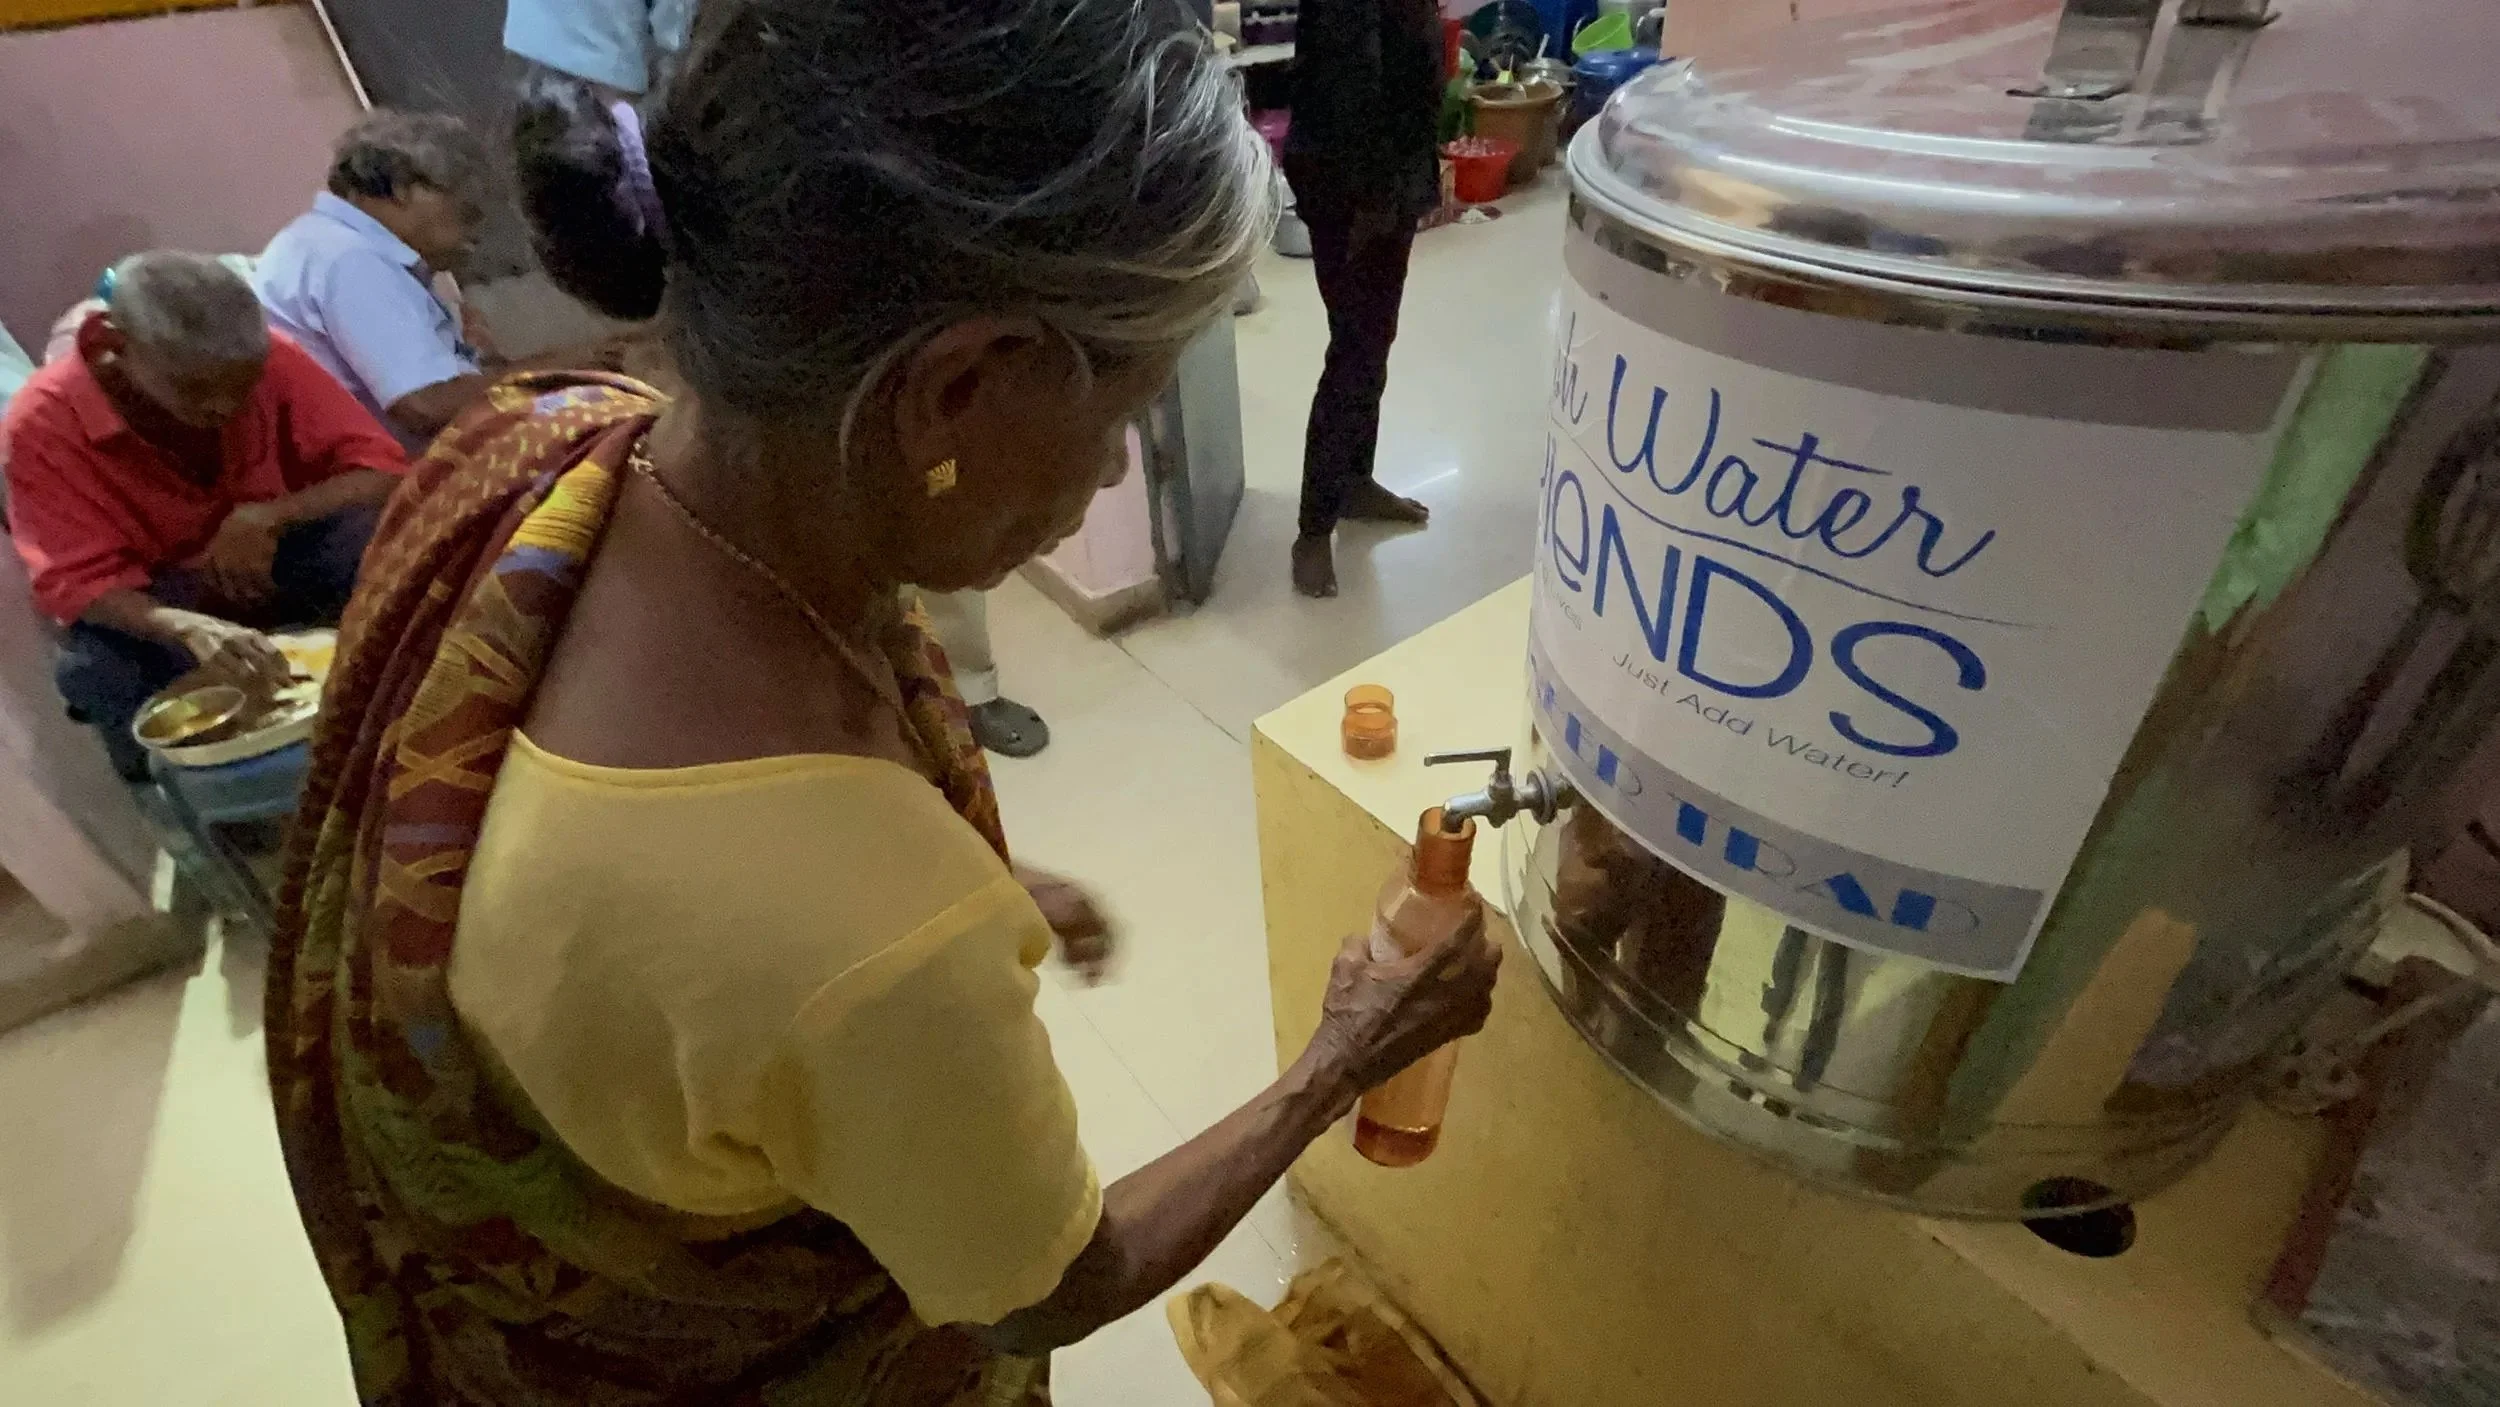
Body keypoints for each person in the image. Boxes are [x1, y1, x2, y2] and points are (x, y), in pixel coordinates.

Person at [264, 2, 1501, 1402]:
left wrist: (975, 876)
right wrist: (1350, 1049)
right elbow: (1049, 1284)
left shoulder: (544, 438)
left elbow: (698, 916)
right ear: (954, 386)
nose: (1107, 476)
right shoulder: (867, 938)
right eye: (1120, 413)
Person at [501, 0, 1053, 757]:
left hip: (896, 239)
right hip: (724, 260)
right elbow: (575, 111)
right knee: (769, 514)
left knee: (929, 485)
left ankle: (953, 691)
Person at [2, 252, 405, 779]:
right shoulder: (40, 424)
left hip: (276, 558)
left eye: (243, 388)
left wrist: (269, 516)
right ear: (114, 346)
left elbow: (383, 469)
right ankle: (192, 812)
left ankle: (408, 721)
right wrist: (186, 627)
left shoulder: (264, 360)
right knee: (93, 668)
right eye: (195, 390)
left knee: (378, 535)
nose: (225, 406)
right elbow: (74, 584)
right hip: (165, 600)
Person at [1282, 0, 1445, 598]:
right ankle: (1312, 530)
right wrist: (1371, 204)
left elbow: (1412, 72)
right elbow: (1346, 88)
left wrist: (1415, 186)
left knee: (1373, 343)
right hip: (1351, 190)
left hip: (1390, 184)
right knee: (1353, 353)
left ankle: (1354, 481)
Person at [249, 112, 495, 456]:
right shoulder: (349, 259)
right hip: (393, 489)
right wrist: (569, 367)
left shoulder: (323, 243)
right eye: (466, 205)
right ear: (402, 190)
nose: (475, 226)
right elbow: (423, 404)